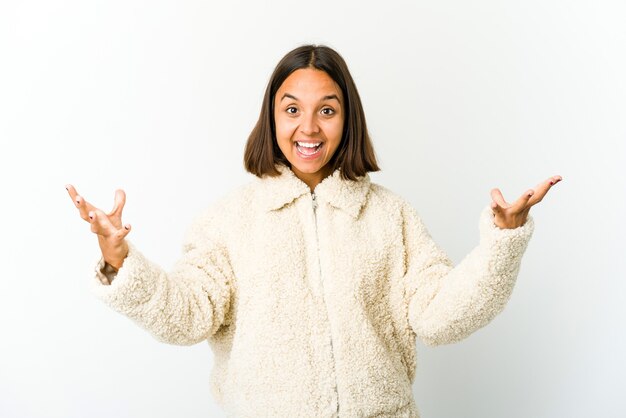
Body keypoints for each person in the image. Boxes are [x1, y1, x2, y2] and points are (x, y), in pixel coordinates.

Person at [66, 45, 561, 418]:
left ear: (347, 119)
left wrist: (502, 242)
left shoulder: (391, 217)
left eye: (326, 109)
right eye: (291, 109)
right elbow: (188, 316)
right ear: (272, 117)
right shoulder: (229, 220)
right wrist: (119, 260)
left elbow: (440, 316)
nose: (309, 127)